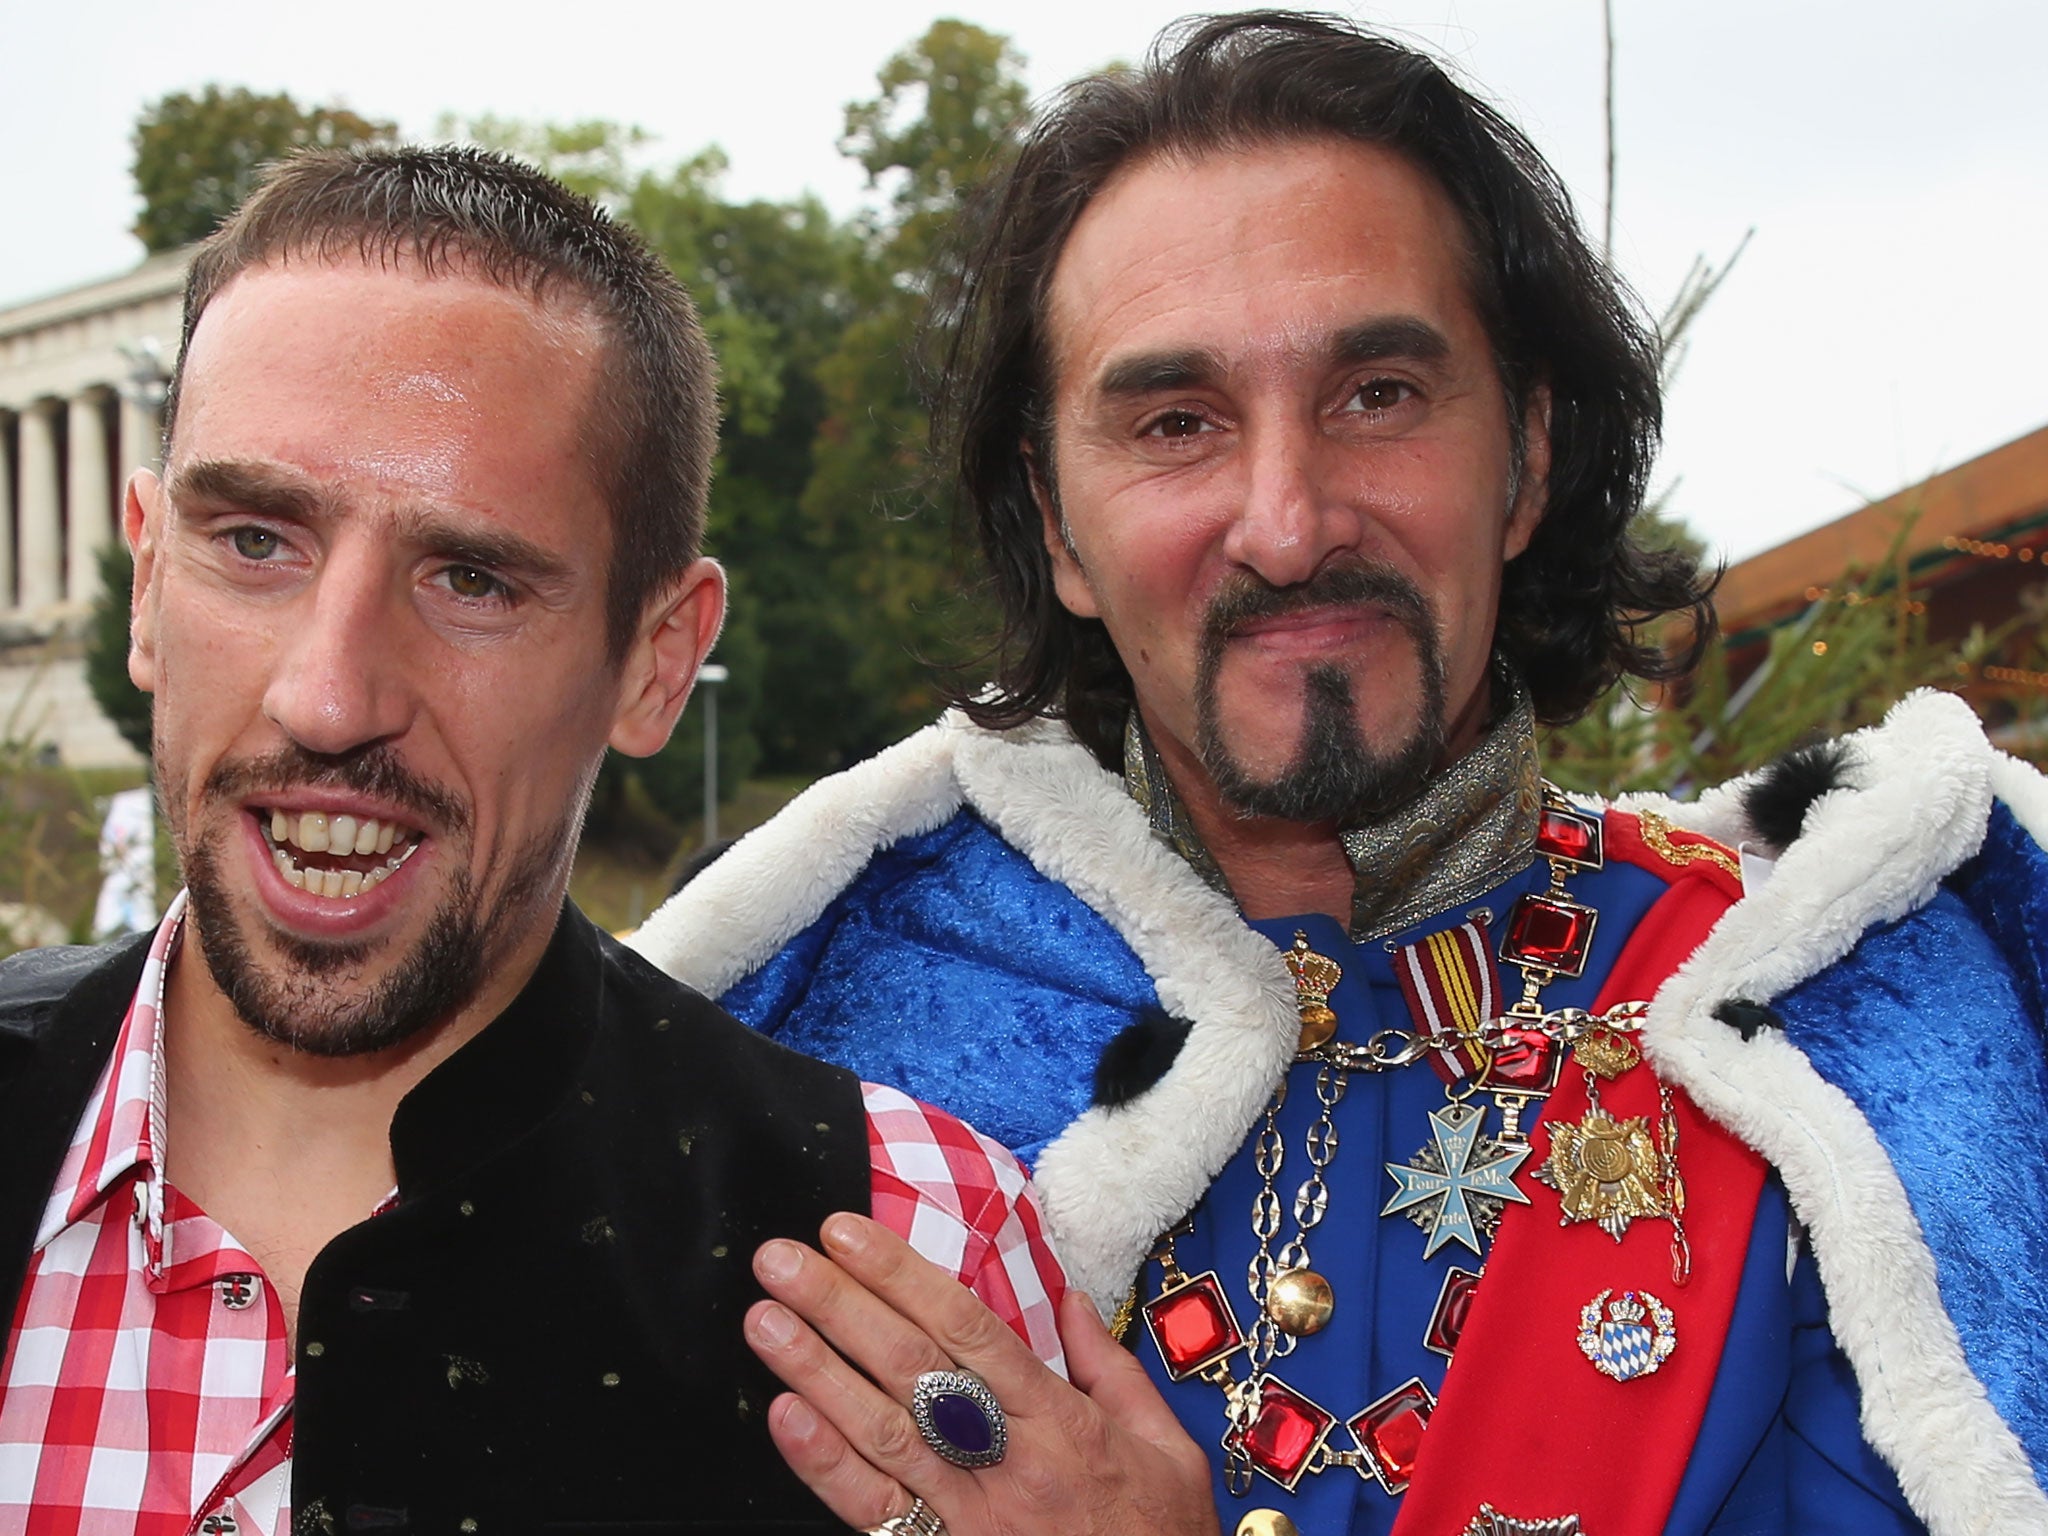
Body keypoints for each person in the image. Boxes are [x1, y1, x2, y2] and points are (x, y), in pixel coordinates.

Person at [631, 13, 2048, 1536]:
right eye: (1176, 423)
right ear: (1058, 528)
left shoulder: (1857, 1044)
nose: (1288, 523)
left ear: (1525, 458)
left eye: (1378, 393)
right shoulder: (820, 1037)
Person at [0, 146, 1068, 1535]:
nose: (329, 697)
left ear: (655, 662)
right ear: (146, 582)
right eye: (256, 540)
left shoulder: (920, 1253)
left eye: (473, 578)